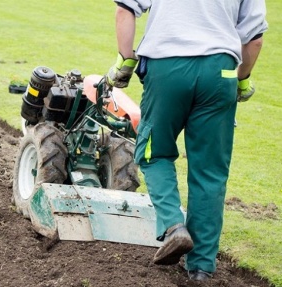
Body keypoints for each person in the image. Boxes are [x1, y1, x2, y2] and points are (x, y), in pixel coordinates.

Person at [106, 0, 268, 282]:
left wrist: (125, 60)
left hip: (167, 69)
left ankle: (173, 226)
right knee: (210, 172)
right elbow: (254, 39)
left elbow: (125, 9)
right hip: (221, 73)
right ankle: (201, 269)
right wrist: (241, 80)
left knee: (153, 153)